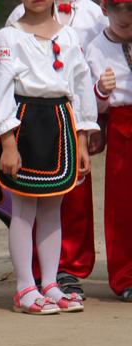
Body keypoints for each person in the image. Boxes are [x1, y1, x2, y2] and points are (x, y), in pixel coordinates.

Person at [0, 0, 98, 314]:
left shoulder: (69, 36)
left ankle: (49, 283)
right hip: (24, 123)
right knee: (23, 209)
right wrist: (8, 142)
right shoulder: (7, 38)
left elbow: (80, 85)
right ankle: (25, 287)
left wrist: (82, 140)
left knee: (52, 207)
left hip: (60, 121)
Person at [85, 0, 132, 301]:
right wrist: (101, 90)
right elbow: (92, 103)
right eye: (123, 21)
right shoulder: (96, 48)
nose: (128, 24)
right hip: (122, 123)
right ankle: (125, 275)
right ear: (105, 9)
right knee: (122, 206)